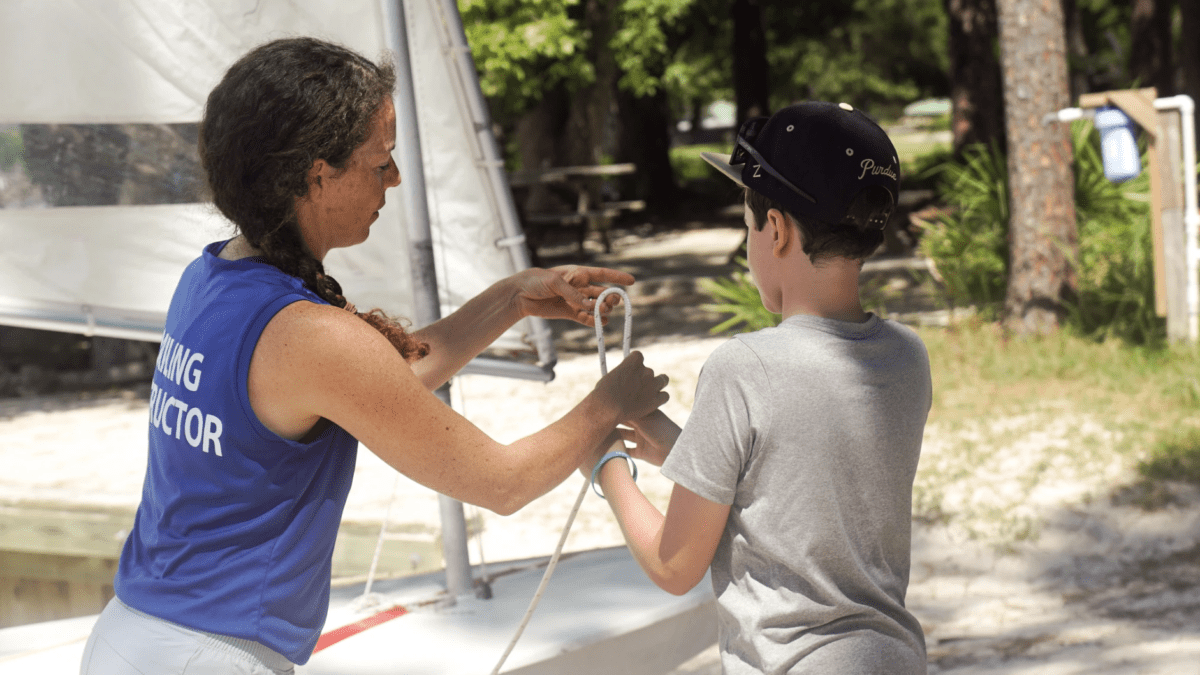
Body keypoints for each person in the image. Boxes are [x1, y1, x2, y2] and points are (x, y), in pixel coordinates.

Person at [80, 37, 668, 675]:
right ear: (317, 172)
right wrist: (613, 402)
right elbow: (501, 483)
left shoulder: (212, 279)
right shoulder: (309, 335)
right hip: (207, 657)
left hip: (131, 636)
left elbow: (374, 386)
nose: (392, 179)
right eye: (380, 161)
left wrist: (510, 301)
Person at [585, 102, 931, 674]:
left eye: (747, 223)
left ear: (776, 230)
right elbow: (798, 485)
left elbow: (674, 566)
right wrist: (682, 447)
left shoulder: (743, 367)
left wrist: (602, 461)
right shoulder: (906, 356)